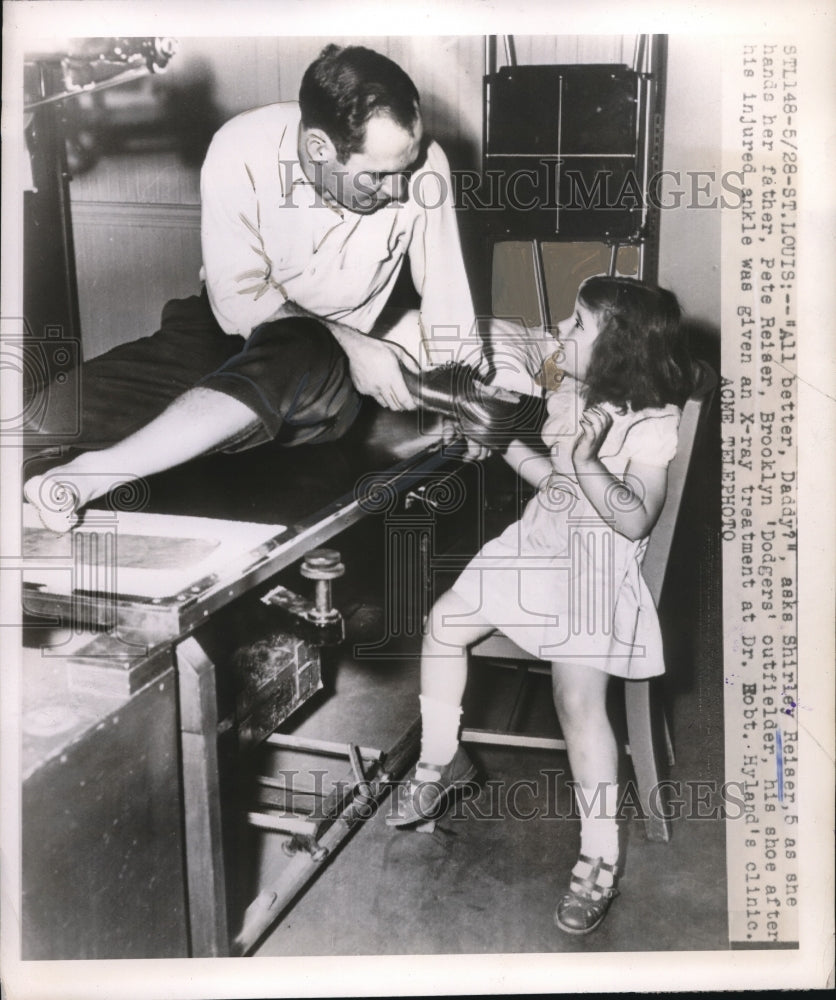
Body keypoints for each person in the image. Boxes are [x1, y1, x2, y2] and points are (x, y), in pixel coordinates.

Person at [24, 44, 479, 532]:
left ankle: (88, 478)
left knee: (302, 343)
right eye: (378, 177)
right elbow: (237, 302)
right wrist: (361, 346)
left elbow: (448, 299)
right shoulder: (242, 147)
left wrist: (467, 399)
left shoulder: (424, 167)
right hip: (220, 332)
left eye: (406, 169)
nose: (400, 189)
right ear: (320, 148)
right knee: (37, 419)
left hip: (321, 373)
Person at [386, 276, 694, 936]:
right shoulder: (570, 392)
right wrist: (502, 447)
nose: (560, 332)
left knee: (577, 701)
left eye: (578, 326)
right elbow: (551, 485)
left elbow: (635, 520)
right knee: (443, 623)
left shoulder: (650, 425)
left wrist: (585, 459)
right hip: (537, 542)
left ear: (620, 351)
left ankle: (600, 856)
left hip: (594, 565)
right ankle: (442, 759)